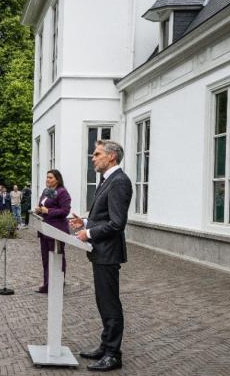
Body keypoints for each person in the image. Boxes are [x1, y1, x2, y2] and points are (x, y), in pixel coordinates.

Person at [69, 140, 131, 372]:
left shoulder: (119, 182)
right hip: (100, 252)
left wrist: (89, 233)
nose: (92, 158)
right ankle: (106, 346)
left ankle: (113, 354)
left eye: (97, 154)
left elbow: (117, 223)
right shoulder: (108, 180)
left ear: (111, 157)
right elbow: (105, 216)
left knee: (110, 303)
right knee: (103, 302)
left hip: (108, 253)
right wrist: (84, 222)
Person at [34, 170, 71, 294]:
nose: (47, 179)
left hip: (56, 231)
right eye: (47, 177)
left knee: (56, 258)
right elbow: (43, 207)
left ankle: (57, 283)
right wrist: (39, 210)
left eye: (50, 177)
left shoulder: (62, 192)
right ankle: (47, 284)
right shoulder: (47, 192)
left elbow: (65, 211)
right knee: (46, 259)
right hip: (44, 230)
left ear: (57, 179)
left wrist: (48, 211)